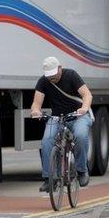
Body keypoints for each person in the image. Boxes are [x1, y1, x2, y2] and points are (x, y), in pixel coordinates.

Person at [31, 57, 93, 192]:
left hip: (78, 116)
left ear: (60, 68)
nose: (52, 78)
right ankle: (49, 179)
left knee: (81, 135)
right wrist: (36, 111)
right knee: (47, 141)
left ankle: (82, 170)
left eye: (54, 74)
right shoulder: (43, 81)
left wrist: (84, 108)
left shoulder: (71, 75)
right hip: (57, 117)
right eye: (49, 76)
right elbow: (36, 104)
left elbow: (87, 95)